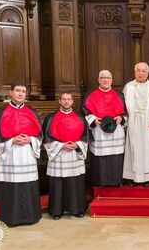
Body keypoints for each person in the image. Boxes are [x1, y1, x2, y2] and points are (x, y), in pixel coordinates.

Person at [0, 82, 42, 226]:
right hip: (10, 154)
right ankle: (11, 217)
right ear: (11, 93)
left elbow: (40, 136)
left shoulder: (32, 112)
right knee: (12, 186)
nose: (21, 93)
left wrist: (30, 139)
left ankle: (31, 216)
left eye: (23, 91)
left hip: (27, 153)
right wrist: (11, 141)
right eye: (17, 90)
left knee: (28, 184)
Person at [42, 92, 89, 220]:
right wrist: (61, 146)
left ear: (73, 101)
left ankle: (77, 209)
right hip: (58, 155)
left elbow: (86, 137)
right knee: (58, 182)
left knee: (75, 182)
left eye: (69, 99)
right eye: (64, 99)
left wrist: (77, 144)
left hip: (74, 154)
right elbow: (46, 138)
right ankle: (57, 210)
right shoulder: (50, 118)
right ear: (59, 101)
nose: (66, 102)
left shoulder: (80, 117)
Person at [82, 70, 126, 187]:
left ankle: (116, 181)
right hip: (98, 130)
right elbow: (85, 112)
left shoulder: (119, 95)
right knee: (100, 158)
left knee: (115, 156)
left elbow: (126, 112)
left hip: (116, 131)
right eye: (103, 78)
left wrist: (121, 118)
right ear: (99, 80)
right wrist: (93, 119)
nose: (105, 80)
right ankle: (100, 182)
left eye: (108, 78)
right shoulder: (91, 95)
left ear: (111, 80)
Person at [123, 62, 149, 187]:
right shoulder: (128, 87)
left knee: (148, 149)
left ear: (147, 72)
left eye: (144, 71)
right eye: (139, 70)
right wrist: (126, 122)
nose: (141, 73)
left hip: (148, 123)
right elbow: (123, 108)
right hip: (133, 122)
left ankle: (148, 177)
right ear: (135, 72)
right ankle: (133, 177)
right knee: (133, 148)